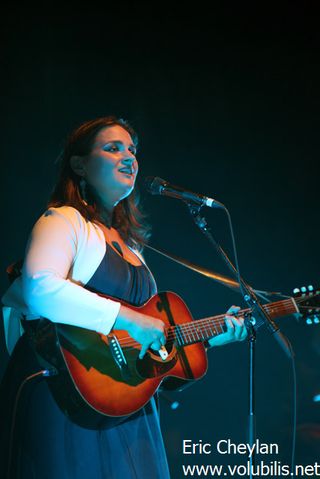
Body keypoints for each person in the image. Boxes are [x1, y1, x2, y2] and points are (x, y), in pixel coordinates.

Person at [0, 116, 247, 478]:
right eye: (113, 148)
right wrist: (132, 319)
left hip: (126, 410)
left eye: (132, 150)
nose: (129, 157)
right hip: (67, 402)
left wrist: (208, 339)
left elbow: (139, 346)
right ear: (80, 164)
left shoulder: (133, 247)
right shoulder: (63, 221)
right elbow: (40, 288)